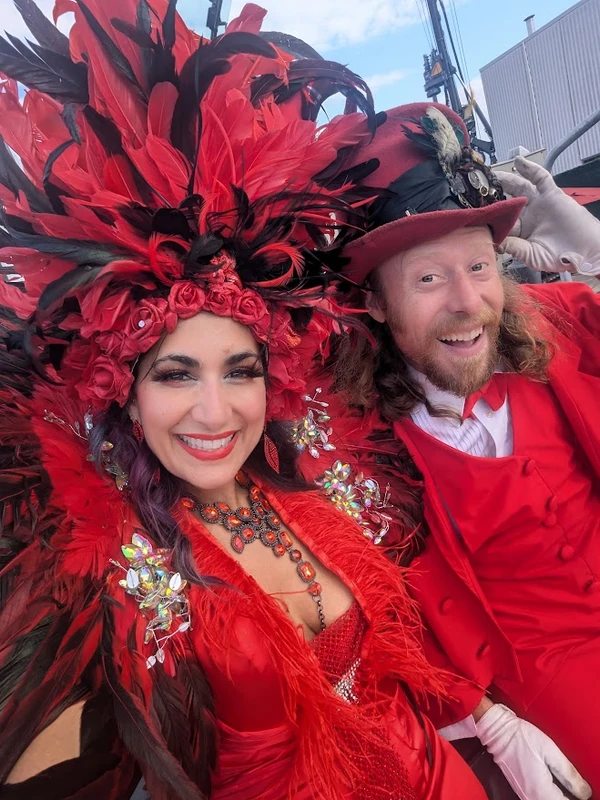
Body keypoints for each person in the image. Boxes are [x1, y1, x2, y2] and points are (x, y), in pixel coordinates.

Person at [0, 6, 489, 799]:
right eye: (175, 375)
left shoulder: (311, 478)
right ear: (124, 395)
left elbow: (438, 332)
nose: (216, 412)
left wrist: (489, 715)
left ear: (274, 379)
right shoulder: (99, 566)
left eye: (239, 371)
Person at [298, 103, 599, 800]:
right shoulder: (353, 443)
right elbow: (380, 607)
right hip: (550, 671)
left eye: (480, 265)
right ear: (375, 303)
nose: (468, 302)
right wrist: (482, 716)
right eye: (429, 279)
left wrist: (597, 255)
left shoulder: (557, 322)